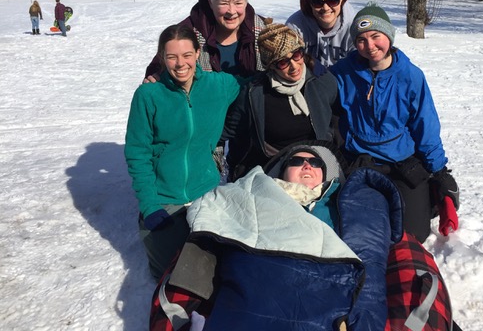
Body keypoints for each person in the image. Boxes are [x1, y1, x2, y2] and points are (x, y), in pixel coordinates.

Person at [150, 141, 404, 331]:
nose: (307, 165)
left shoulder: (343, 202)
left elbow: (372, 254)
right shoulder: (253, 193)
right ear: (280, 172)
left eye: (316, 163)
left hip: (327, 289)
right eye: (296, 161)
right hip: (258, 286)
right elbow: (210, 218)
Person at [330, 3, 460, 242]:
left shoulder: (410, 75)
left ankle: (424, 198)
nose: (370, 46)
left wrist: (439, 170)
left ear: (388, 35)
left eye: (376, 36)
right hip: (360, 160)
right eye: (361, 40)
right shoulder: (342, 73)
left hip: (401, 161)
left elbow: (425, 125)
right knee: (363, 231)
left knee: (414, 234)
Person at [124, 24, 241, 280]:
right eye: (172, 57)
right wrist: (150, 205)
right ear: (162, 58)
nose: (180, 64)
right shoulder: (148, 95)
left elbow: (253, 84)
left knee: (215, 272)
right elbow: (137, 153)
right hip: (164, 198)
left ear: (198, 53)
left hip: (206, 193)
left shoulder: (218, 85)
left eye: (187, 55)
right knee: (170, 276)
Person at [223, 23, 337, 181]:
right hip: (274, 163)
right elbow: (230, 130)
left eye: (296, 55)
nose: (294, 66)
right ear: (271, 67)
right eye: (283, 62)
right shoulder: (254, 93)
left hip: (317, 158)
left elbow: (337, 115)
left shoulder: (321, 81)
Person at [144, 0, 269, 81]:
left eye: (238, 3)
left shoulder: (263, 31)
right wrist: (156, 76)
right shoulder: (188, 32)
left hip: (252, 103)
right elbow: (160, 65)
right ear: (210, 2)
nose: (231, 11)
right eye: (224, 3)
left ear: (246, 1)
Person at [286, 0, 357, 69]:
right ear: (309, 1)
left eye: (333, 0)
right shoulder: (295, 26)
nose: (326, 8)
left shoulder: (354, 27)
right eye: (317, 2)